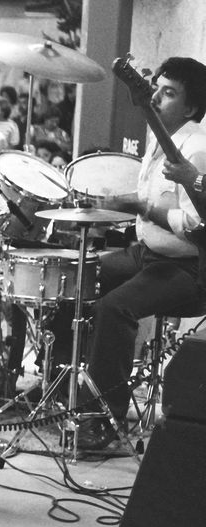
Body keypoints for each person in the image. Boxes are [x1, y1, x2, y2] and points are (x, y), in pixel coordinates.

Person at [74, 57, 206, 448]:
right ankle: (64, 393)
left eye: (169, 93)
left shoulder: (197, 149)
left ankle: (103, 422)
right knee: (76, 274)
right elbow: (149, 199)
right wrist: (109, 200)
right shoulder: (161, 137)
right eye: (156, 89)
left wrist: (142, 208)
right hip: (146, 255)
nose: (157, 98)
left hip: (187, 267)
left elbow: (197, 224)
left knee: (115, 307)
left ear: (192, 107)